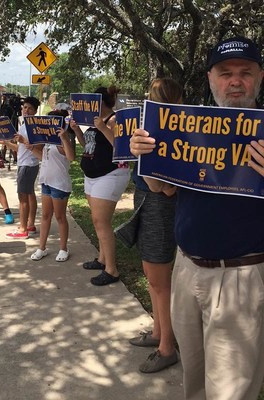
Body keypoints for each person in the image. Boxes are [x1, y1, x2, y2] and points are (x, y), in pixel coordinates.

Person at [130, 36, 264, 400]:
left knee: (231, 392)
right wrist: (144, 156)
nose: (235, 81)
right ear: (210, 79)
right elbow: (162, 189)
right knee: (195, 382)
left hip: (240, 276)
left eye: (245, 73)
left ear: (259, 77)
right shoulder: (189, 125)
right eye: (225, 73)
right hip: (186, 269)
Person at [128, 78, 182, 374]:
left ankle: (167, 348)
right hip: (146, 200)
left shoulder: (174, 131)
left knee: (160, 281)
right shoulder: (151, 129)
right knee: (151, 274)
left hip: (160, 206)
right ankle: (158, 332)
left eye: (153, 95)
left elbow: (168, 188)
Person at [71, 86, 130, 286]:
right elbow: (87, 145)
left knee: (101, 222)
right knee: (97, 222)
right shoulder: (93, 122)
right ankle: (102, 259)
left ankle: (112, 270)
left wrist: (103, 128)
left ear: (100, 102)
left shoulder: (114, 120)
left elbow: (122, 146)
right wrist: (77, 130)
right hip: (92, 175)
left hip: (110, 174)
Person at [28, 110, 75, 262]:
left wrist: (64, 137)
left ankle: (63, 248)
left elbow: (71, 157)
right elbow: (44, 158)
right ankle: (42, 247)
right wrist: (30, 148)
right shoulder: (48, 140)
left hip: (59, 184)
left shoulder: (63, 140)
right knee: (46, 216)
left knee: (60, 217)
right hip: (46, 182)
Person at [4, 96, 40, 239]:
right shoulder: (24, 125)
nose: (26, 110)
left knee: (23, 198)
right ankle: (30, 224)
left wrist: (23, 140)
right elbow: (21, 149)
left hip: (28, 165)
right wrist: (7, 143)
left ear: (35, 111)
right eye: (24, 107)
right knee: (30, 195)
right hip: (24, 163)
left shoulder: (34, 126)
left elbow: (39, 147)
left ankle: (23, 229)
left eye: (30, 108)